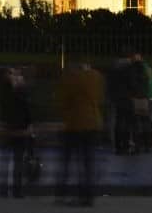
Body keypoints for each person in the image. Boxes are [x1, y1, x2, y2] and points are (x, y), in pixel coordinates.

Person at [56, 57, 105, 207]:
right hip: (93, 122)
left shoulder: (72, 78)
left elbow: (63, 100)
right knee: (88, 162)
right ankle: (88, 196)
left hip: (75, 124)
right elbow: (100, 98)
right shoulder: (97, 77)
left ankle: (67, 193)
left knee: (72, 161)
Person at [0, 67, 32, 198]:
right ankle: (15, 191)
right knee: (16, 161)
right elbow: (26, 110)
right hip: (18, 130)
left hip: (11, 129)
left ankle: (5, 190)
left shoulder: (7, 91)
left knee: (10, 161)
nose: (16, 76)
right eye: (13, 74)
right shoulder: (17, 91)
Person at [129, 52, 152, 153]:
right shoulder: (145, 70)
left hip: (135, 98)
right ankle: (147, 145)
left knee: (135, 123)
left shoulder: (131, 70)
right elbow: (148, 83)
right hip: (144, 99)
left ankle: (137, 145)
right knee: (145, 122)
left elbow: (131, 84)